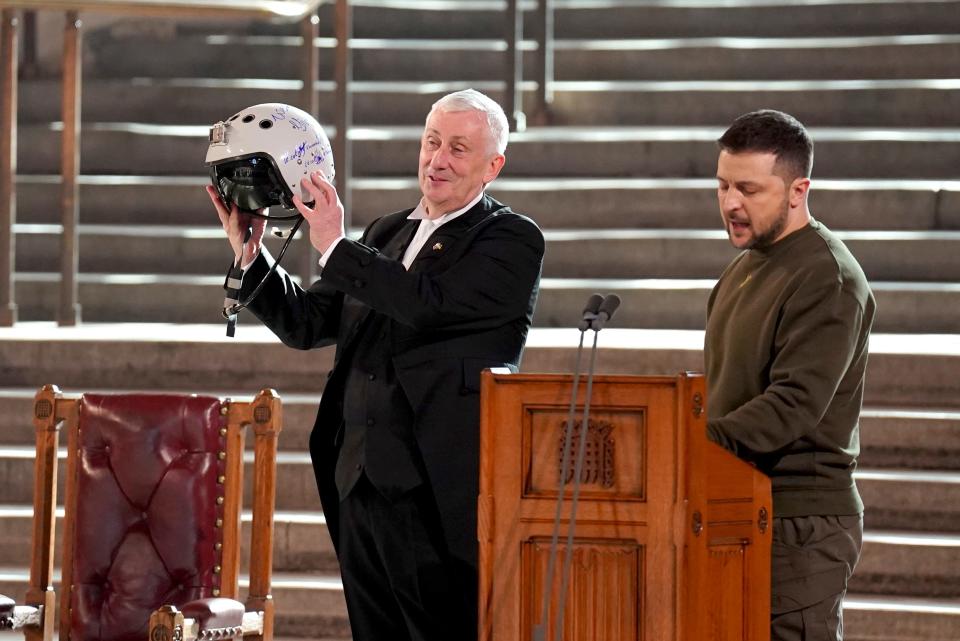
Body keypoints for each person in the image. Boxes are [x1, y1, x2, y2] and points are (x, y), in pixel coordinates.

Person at [206, 89, 544, 641]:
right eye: (432, 142)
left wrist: (335, 244)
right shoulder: (387, 233)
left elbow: (425, 306)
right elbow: (311, 322)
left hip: (435, 486)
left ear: (493, 166)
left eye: (459, 149)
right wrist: (251, 254)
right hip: (358, 479)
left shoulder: (510, 239)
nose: (437, 160)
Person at [704, 109, 876, 641]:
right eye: (723, 186)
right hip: (741, 502)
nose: (731, 203)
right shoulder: (748, 263)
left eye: (749, 189)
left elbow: (793, 405)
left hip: (800, 521)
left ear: (798, 189)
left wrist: (690, 442)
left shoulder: (827, 276)